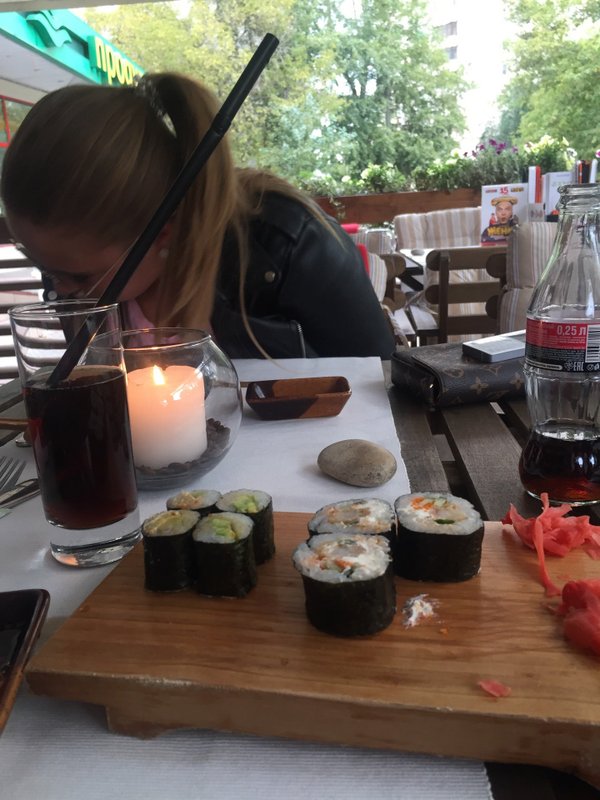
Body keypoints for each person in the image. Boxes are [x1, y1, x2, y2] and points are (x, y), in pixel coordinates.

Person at [0, 72, 395, 360]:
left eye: (81, 278)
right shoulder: (72, 270)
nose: (59, 290)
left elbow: (382, 376)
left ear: (163, 232)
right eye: (44, 268)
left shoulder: (285, 242)